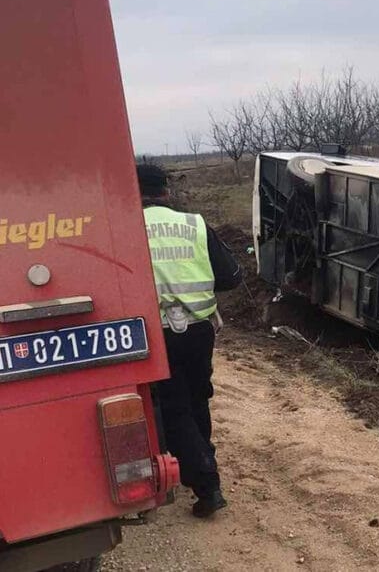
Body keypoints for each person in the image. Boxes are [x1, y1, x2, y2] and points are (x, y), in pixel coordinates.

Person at [137, 163, 242, 518]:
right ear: (166, 191)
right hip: (199, 330)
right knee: (198, 399)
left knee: (173, 405)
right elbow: (230, 277)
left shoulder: (127, 228)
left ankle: (206, 483)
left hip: (156, 332)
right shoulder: (194, 224)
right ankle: (201, 458)